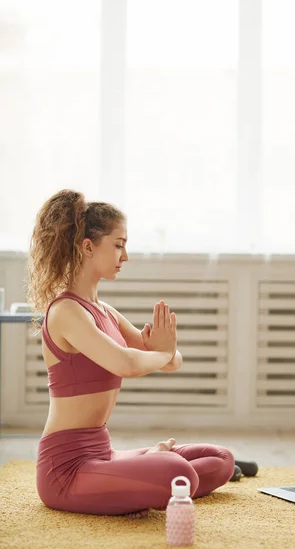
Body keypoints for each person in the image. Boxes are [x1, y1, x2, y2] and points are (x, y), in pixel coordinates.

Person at [28, 189, 235, 518]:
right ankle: (150, 467)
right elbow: (126, 363)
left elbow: (170, 361)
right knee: (176, 473)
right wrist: (162, 353)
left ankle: (144, 471)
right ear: (88, 246)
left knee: (219, 459)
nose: (125, 256)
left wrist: (164, 352)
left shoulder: (105, 311)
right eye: (119, 245)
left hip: (103, 454)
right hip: (64, 469)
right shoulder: (66, 312)